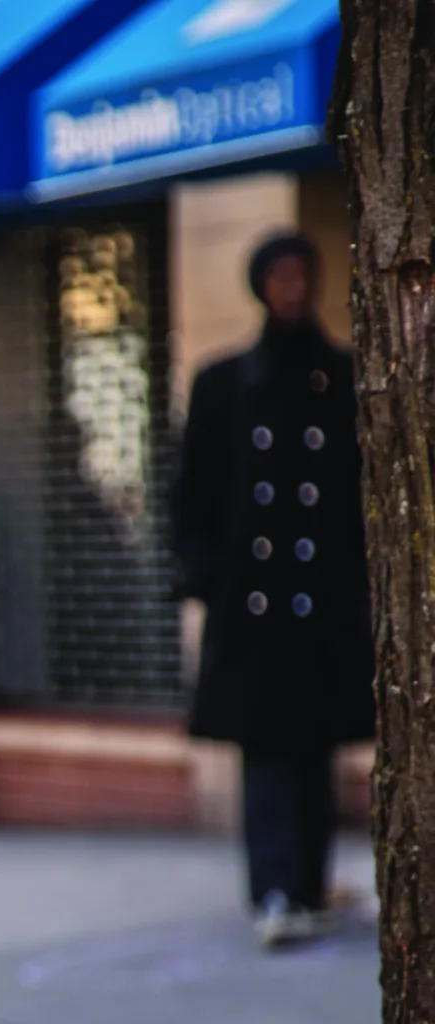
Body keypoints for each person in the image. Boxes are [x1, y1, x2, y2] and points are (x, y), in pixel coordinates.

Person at [173, 231, 370, 948]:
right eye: (279, 276)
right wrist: (206, 577)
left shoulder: (343, 377)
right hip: (253, 603)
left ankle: (310, 883)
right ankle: (274, 887)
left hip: (321, 601)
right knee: (266, 751)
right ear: (260, 286)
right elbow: (191, 493)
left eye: (301, 275)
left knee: (314, 747)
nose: (292, 289)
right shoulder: (224, 384)